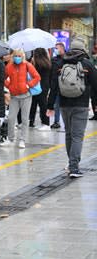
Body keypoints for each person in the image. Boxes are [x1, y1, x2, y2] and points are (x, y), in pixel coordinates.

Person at [47, 36, 97, 178]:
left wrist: (50, 105)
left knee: (69, 135)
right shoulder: (87, 64)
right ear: (82, 49)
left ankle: (71, 163)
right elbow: (95, 85)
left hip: (64, 105)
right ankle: (74, 167)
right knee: (77, 136)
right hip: (81, 105)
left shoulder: (60, 63)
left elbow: (54, 86)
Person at [4, 49, 40, 149]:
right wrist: (9, 86)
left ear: (23, 56)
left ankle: (22, 140)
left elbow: (37, 77)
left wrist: (28, 85)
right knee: (11, 118)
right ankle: (10, 138)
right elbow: (3, 77)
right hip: (14, 96)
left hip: (26, 96)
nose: (17, 58)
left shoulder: (27, 65)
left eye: (19, 56)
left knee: (24, 119)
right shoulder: (9, 66)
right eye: (16, 55)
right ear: (13, 56)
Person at [28, 47, 52, 131]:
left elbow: (32, 73)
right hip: (45, 86)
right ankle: (45, 122)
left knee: (33, 104)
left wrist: (31, 63)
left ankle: (32, 121)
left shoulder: (36, 64)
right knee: (43, 104)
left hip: (36, 85)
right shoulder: (47, 63)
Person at [50, 42, 66, 129]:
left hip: (66, 85)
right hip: (56, 85)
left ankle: (67, 121)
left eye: (57, 48)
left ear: (62, 48)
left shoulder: (69, 58)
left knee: (66, 105)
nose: (55, 50)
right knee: (57, 104)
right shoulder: (54, 59)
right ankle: (56, 121)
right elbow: (51, 73)